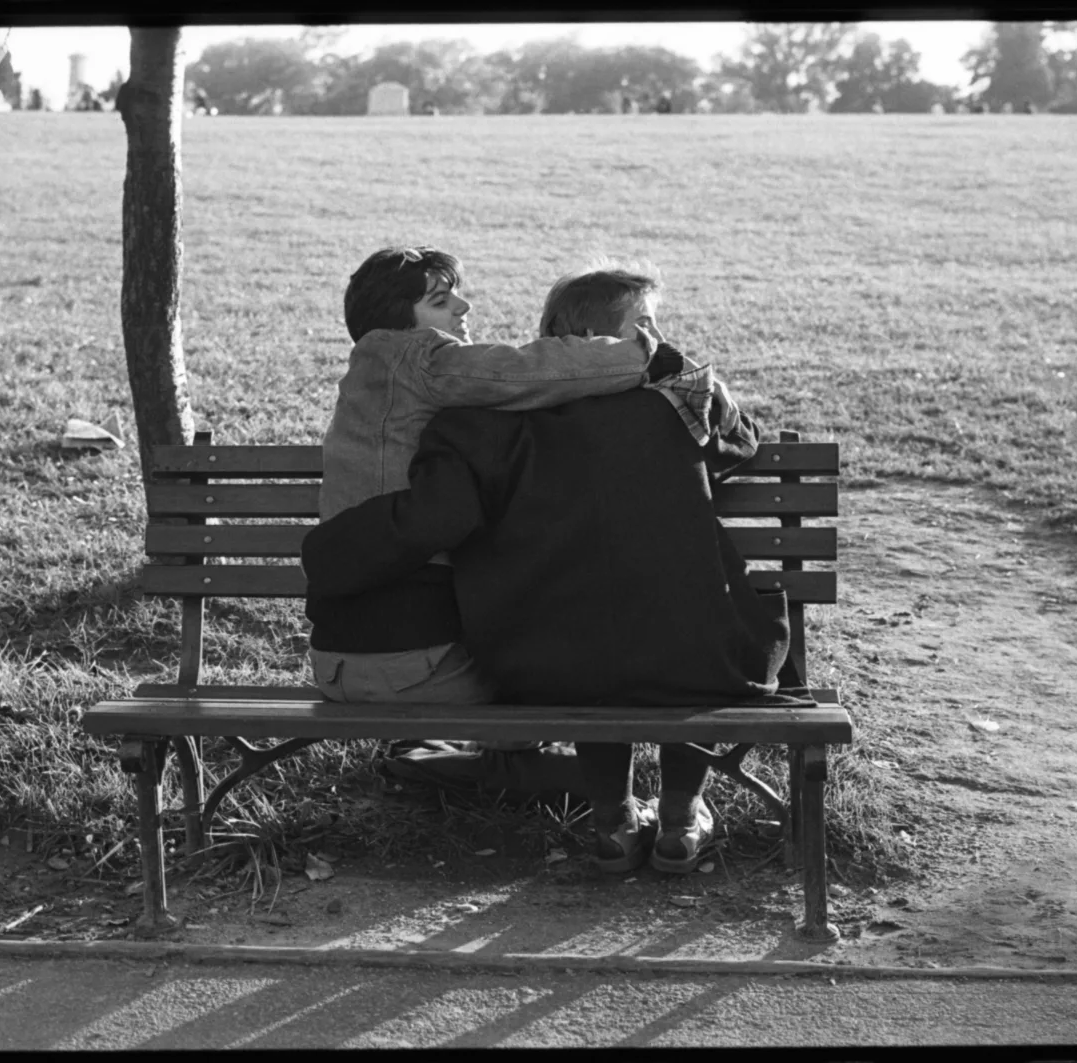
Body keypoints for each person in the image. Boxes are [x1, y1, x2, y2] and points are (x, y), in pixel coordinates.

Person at [303, 263, 812, 874]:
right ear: (605, 347)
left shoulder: (490, 420)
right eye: (644, 328)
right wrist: (699, 385)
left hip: (549, 659)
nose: (656, 342)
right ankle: (680, 814)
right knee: (689, 622)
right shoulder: (675, 407)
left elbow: (451, 510)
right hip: (694, 653)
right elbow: (742, 442)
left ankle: (614, 819)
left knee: (592, 633)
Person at [309, 247, 682, 720]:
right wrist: (644, 355)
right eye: (442, 301)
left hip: (335, 666)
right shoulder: (415, 356)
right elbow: (521, 371)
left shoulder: (370, 376)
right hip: (411, 668)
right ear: (400, 320)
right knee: (577, 675)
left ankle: (496, 766)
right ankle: (524, 769)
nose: (464, 308)